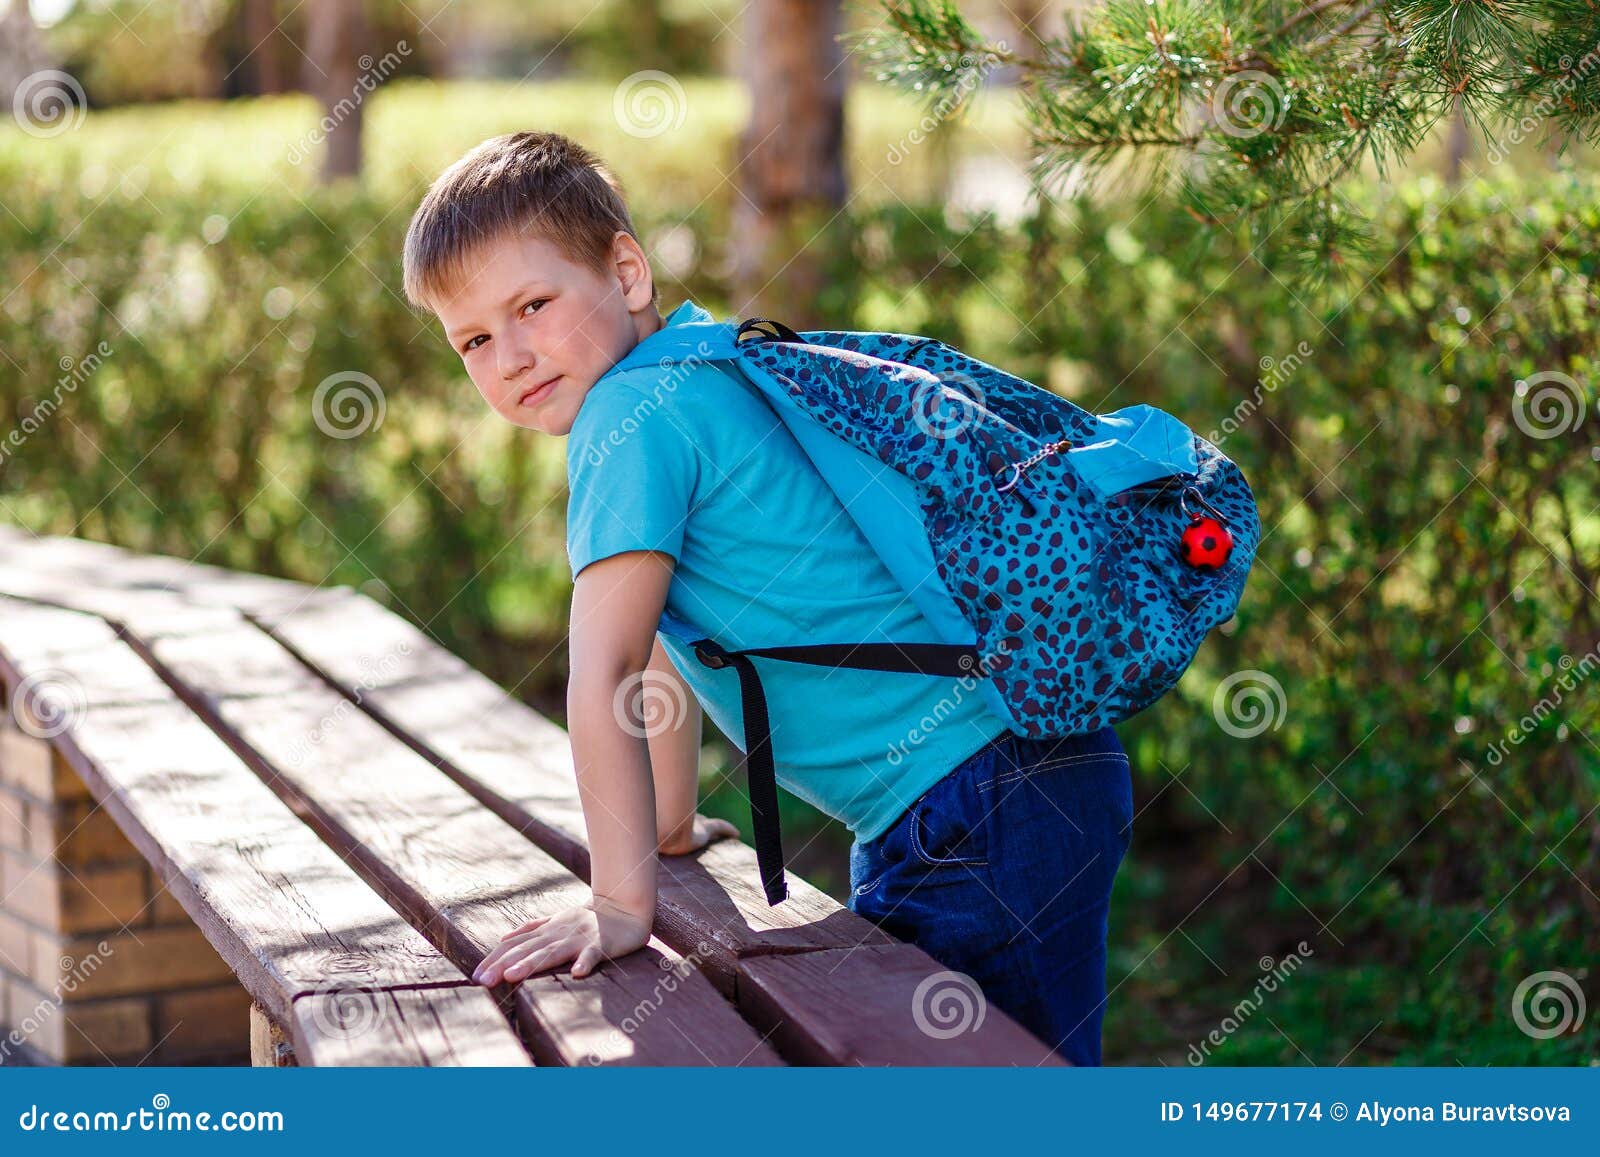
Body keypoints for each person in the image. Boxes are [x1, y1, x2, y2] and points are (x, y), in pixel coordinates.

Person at [399, 130, 1134, 1064]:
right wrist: (664, 827)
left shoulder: (625, 420)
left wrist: (622, 905)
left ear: (627, 273)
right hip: (1010, 780)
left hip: (972, 808)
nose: (508, 356)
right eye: (473, 338)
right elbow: (665, 643)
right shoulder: (700, 363)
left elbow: (606, 670)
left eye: (532, 304)